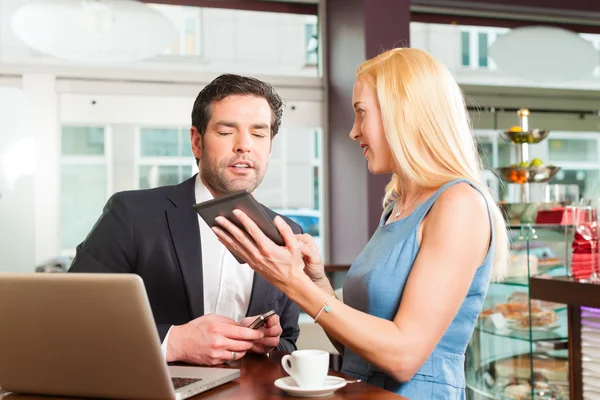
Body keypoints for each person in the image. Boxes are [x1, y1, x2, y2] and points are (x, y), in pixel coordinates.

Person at [210, 48, 509, 398]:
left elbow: (403, 356)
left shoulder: (459, 203)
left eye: (361, 114)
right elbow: (358, 345)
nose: (353, 132)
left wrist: (292, 283)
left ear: (404, 115)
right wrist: (315, 279)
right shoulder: (397, 206)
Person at [68, 74, 302, 366]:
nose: (245, 145)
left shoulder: (287, 233)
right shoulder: (131, 214)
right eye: (227, 131)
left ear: (269, 147)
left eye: (258, 134)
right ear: (196, 142)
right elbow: (71, 318)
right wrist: (173, 342)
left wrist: (267, 344)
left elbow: (289, 341)